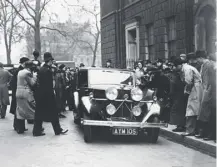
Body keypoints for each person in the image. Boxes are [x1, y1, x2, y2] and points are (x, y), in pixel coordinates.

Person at [33, 52, 68, 136]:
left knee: (39, 114)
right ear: (50, 61)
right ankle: (57, 130)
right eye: (51, 61)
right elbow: (48, 85)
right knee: (54, 113)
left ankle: (37, 131)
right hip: (48, 95)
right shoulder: (48, 71)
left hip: (40, 95)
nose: (52, 62)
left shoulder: (41, 69)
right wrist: (52, 95)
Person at [174, 57, 202, 136]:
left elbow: (189, 82)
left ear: (180, 65)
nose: (175, 68)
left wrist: (186, 93)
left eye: (176, 66)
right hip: (195, 88)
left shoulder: (187, 69)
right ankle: (193, 130)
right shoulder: (186, 68)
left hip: (195, 89)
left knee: (191, 110)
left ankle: (190, 130)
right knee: (194, 109)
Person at [16, 61, 37, 134]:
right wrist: (34, 76)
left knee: (20, 110)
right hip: (26, 92)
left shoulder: (20, 72)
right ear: (30, 66)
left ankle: (20, 129)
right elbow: (33, 83)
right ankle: (37, 129)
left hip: (18, 92)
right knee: (33, 109)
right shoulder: (28, 73)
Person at [195, 51, 213, 139]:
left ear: (201, 57)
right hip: (204, 90)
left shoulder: (209, 65)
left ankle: (207, 133)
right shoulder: (204, 65)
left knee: (206, 113)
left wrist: (206, 92)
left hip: (208, 91)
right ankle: (203, 132)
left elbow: (209, 80)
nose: (197, 60)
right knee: (203, 113)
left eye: (198, 58)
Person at [10, 57, 29, 130]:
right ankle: (19, 127)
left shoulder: (18, 70)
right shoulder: (20, 71)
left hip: (18, 92)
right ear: (24, 63)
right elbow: (13, 83)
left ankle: (18, 126)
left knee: (18, 109)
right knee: (19, 109)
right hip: (19, 92)